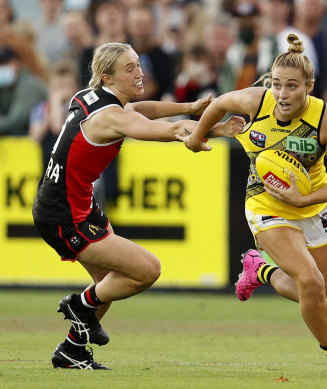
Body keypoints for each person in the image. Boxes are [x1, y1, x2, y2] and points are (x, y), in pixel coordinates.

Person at [32, 42, 245, 370]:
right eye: (129, 69)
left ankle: (72, 350)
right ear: (107, 77)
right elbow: (169, 130)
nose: (139, 72)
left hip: (74, 204)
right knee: (146, 270)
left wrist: (190, 105)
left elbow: (143, 111)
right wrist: (214, 130)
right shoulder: (111, 117)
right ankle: (80, 306)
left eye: (138, 64)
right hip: (63, 214)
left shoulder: (90, 97)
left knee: (107, 283)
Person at [176, 34, 327, 380]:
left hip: (313, 205)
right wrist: (196, 137)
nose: (282, 94)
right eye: (277, 85)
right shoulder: (255, 100)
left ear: (309, 85)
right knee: (308, 282)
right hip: (265, 203)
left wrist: (303, 199)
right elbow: (217, 106)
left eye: (292, 86)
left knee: (321, 294)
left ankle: (259, 270)